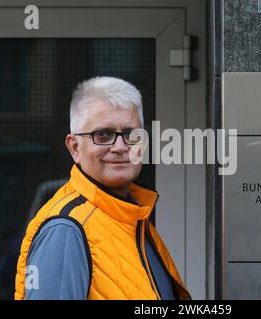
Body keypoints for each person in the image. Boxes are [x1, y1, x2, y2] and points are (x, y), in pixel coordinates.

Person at [14, 77, 191, 300]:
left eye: (130, 134)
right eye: (103, 135)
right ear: (75, 147)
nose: (120, 147)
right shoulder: (66, 229)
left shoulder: (132, 217)